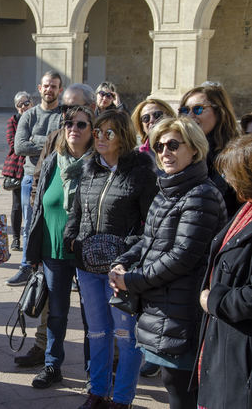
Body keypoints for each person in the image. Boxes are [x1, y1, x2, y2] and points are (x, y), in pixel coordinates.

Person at [109, 117, 226, 409]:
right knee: (173, 383)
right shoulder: (169, 189)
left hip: (183, 311)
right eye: (159, 146)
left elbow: (180, 257)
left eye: (174, 145)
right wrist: (123, 262)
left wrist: (131, 281)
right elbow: (149, 240)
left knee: (181, 389)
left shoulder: (201, 194)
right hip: (164, 306)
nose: (165, 152)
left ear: (195, 150)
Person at [64, 109, 157, 409]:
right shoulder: (88, 168)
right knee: (97, 332)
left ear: (123, 137)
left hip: (121, 271)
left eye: (109, 133)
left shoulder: (141, 173)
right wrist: (72, 241)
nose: (100, 138)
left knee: (126, 336)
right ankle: (98, 392)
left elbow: (150, 227)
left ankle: (122, 398)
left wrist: (124, 251)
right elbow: (75, 214)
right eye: (98, 131)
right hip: (88, 268)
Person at [16, 83, 97, 373]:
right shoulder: (53, 146)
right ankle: (50, 362)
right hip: (53, 246)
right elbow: (38, 186)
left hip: (87, 250)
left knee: (94, 315)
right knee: (55, 312)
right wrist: (34, 244)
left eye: (78, 114)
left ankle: (97, 370)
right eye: (65, 112)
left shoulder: (101, 158)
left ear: (92, 111)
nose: (70, 119)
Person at [193, 134, 252, 409]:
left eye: (231, 174)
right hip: (227, 344)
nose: (227, 180)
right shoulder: (246, 209)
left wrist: (213, 300)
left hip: (242, 352)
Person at [129, 98, 176, 378]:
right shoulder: (139, 154)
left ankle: (160, 354)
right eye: (145, 118)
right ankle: (148, 351)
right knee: (144, 298)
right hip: (144, 232)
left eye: (157, 115)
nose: (151, 121)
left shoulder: (175, 147)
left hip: (171, 231)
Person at [9, 71, 64, 286]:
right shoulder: (29, 115)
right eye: (46, 86)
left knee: (56, 224)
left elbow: (65, 145)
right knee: (29, 223)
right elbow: (20, 146)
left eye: (54, 86)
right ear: (39, 88)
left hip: (58, 177)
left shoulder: (64, 116)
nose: (49, 90)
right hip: (31, 177)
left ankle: (53, 267)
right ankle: (26, 266)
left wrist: (37, 139)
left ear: (60, 90)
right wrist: (52, 142)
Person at [178, 84, 241, 217]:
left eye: (198, 109)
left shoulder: (235, 154)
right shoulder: (177, 149)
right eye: (185, 110)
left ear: (219, 112)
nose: (190, 115)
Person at [2, 91, 33, 251]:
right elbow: (14, 145)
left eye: (26, 103)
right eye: (20, 105)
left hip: (35, 167)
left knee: (33, 205)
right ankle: (15, 238)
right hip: (18, 168)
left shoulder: (36, 118)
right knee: (17, 205)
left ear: (31, 103)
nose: (23, 107)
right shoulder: (12, 121)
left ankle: (32, 238)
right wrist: (32, 142)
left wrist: (27, 143)